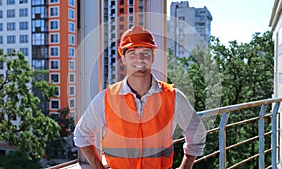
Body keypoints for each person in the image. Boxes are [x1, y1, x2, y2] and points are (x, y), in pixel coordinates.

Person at [74, 25, 206, 169]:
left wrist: (185, 167)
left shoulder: (172, 97)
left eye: (145, 53)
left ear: (152, 57)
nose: (140, 60)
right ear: (123, 58)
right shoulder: (106, 98)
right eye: (132, 53)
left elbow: (197, 132)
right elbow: (81, 134)